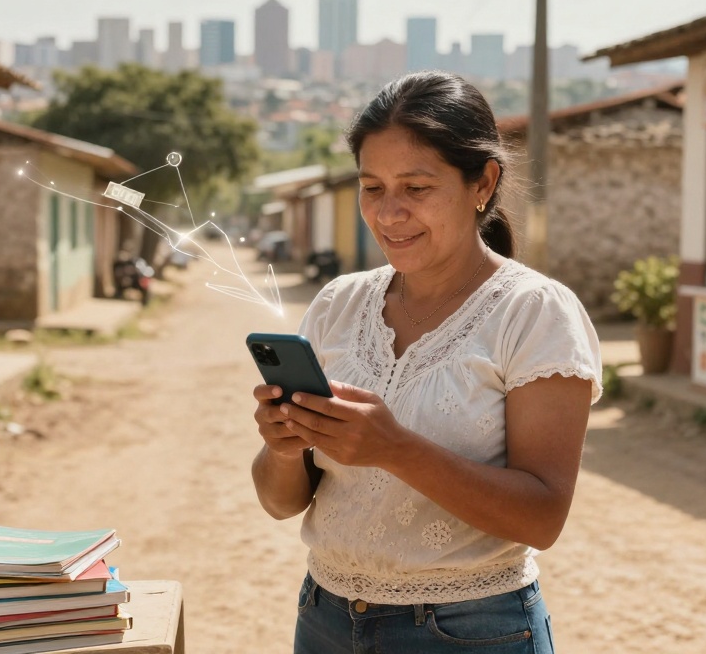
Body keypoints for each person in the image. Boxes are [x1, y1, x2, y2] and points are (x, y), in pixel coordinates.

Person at [250, 71, 601, 654]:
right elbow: (280, 502)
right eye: (372, 187)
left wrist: (396, 449)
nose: (389, 214)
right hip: (325, 619)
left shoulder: (533, 312)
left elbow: (542, 518)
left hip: (470, 632)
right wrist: (285, 446)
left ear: (482, 182)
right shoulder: (339, 304)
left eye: (416, 188)